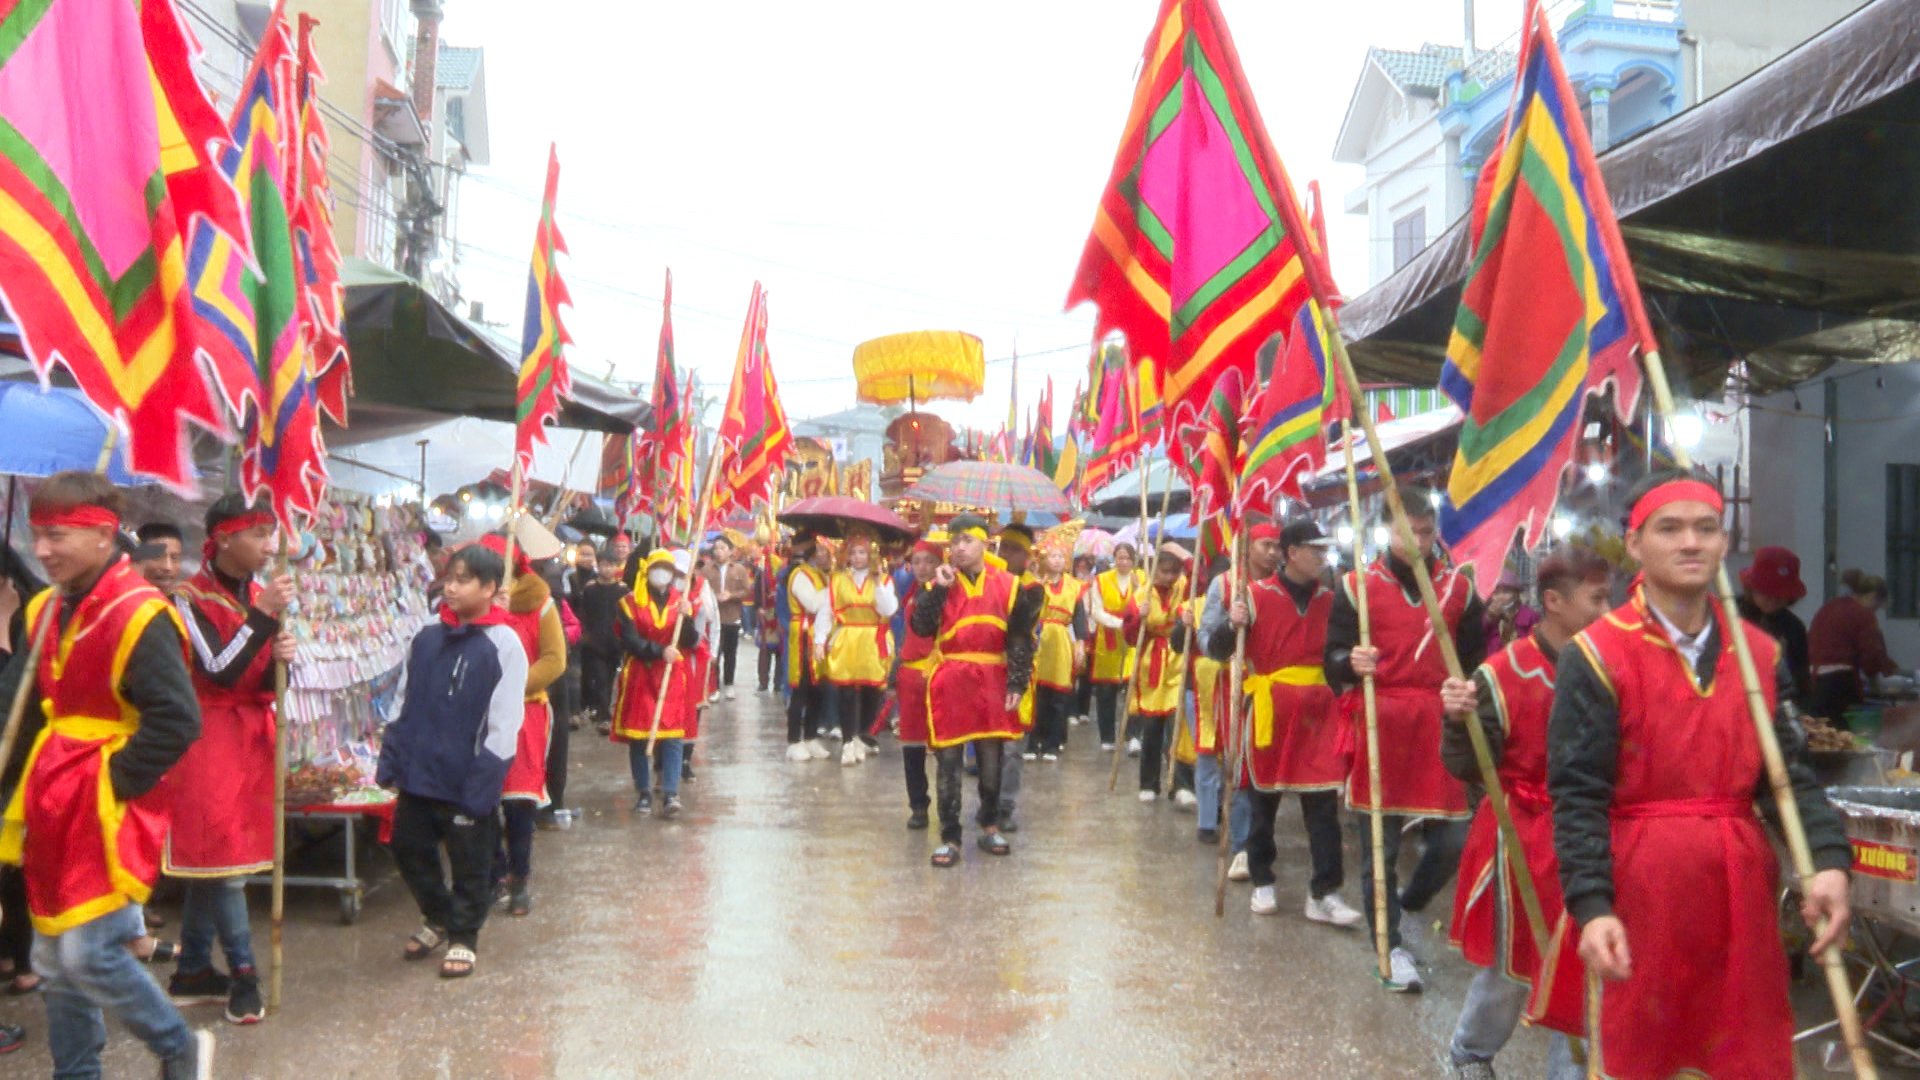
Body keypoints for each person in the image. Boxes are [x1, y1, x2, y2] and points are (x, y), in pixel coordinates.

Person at [1543, 471, 1852, 1077]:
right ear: (1634, 545)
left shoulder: (1760, 653)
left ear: (1723, 541)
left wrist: (1829, 860)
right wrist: (1592, 904)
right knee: (1643, 1053)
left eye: (1706, 529)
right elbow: (1577, 794)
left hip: (1741, 889)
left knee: (1744, 1051)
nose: (1691, 543)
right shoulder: (1598, 653)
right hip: (1642, 889)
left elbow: (1790, 779)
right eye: (1670, 528)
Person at [0, 471, 212, 1077]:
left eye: (57, 535)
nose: (41, 550)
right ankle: (77, 1071)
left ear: (101, 536)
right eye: (37, 535)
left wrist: (111, 784)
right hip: (51, 795)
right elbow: (17, 703)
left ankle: (179, 1045)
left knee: (89, 952)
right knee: (49, 951)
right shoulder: (42, 608)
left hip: (106, 801)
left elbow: (176, 721)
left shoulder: (141, 615)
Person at [1438, 549, 1613, 1080]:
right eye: (1597, 598)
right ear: (1554, 602)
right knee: (1510, 966)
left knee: (1586, 962)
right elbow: (1470, 765)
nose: (1609, 609)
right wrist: (1456, 720)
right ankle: (1470, 1053)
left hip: (1593, 833)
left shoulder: (1616, 664)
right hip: (1522, 833)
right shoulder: (1501, 672)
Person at [1325, 486, 1487, 992]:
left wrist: (1472, 691)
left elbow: (1476, 659)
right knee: (1381, 845)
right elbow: (1331, 656)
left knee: (1455, 836)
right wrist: (1348, 663)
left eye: (1425, 531)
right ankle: (1388, 944)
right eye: (1407, 532)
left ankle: (1410, 900)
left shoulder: (1460, 588)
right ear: (1387, 532)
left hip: (1441, 724)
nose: (1417, 541)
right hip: (1382, 723)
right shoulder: (1354, 587)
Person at [163, 495, 295, 1025]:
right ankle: (243, 974)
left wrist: (280, 661)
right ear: (223, 539)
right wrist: (262, 621)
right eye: (259, 535)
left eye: (271, 535)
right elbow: (217, 668)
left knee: (215, 863)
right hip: (206, 737)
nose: (269, 547)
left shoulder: (260, 595)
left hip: (247, 737)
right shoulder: (186, 598)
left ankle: (193, 968)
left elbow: (258, 675)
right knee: (225, 864)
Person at [378, 542, 527, 979]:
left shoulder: (504, 643)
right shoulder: (427, 633)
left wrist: (485, 782)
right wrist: (393, 757)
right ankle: (439, 915)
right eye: (450, 577)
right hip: (420, 770)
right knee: (407, 847)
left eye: (463, 579)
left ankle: (464, 936)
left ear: (489, 587)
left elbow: (505, 722)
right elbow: (404, 698)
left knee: (470, 859)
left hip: (468, 774)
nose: (452, 587)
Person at [1220, 521, 1360, 928]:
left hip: (1319, 714)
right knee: (1265, 801)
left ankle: (1325, 892)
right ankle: (1262, 879)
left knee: (1322, 807)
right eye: (1315, 549)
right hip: (1271, 712)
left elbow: (1339, 654)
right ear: (1292, 552)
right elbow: (1216, 647)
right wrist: (1234, 624)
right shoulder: (1254, 595)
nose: (1322, 556)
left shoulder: (1334, 600)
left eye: (1323, 550)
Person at [910, 514, 1041, 866]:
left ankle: (989, 823)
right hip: (952, 676)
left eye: (967, 540)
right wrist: (937, 589)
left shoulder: (1010, 585)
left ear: (986, 543)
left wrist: (1017, 680)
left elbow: (1019, 638)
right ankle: (950, 836)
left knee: (991, 756)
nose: (959, 547)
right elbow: (921, 628)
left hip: (993, 676)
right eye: (954, 542)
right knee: (949, 760)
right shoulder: (940, 584)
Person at [485, 539, 566, 918]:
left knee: (518, 802)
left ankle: (520, 879)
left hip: (525, 713)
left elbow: (554, 659)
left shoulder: (541, 602)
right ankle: (493, 872)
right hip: (478, 717)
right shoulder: (470, 604)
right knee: (481, 802)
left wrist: (515, 685)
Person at [609, 549, 699, 817]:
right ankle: (644, 792)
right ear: (648, 570)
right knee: (640, 738)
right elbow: (629, 640)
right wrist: (658, 651)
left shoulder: (679, 602)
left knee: (672, 737)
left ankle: (671, 793)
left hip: (671, 676)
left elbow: (691, 640)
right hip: (641, 673)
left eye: (667, 569)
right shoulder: (628, 602)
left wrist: (688, 617)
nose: (663, 574)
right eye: (658, 568)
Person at [816, 529, 897, 767]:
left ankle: (864, 734)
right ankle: (848, 739)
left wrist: (878, 582)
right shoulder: (838, 579)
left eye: (863, 552)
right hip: (848, 636)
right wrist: (820, 640)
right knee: (846, 690)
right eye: (854, 552)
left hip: (873, 637)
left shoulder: (883, 580)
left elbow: (889, 609)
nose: (859, 557)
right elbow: (826, 610)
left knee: (873, 690)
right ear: (847, 555)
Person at [1127, 544, 1191, 802]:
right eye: (1164, 572)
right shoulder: (1141, 595)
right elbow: (1130, 637)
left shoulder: (1185, 587)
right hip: (1151, 663)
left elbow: (1198, 574)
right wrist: (1137, 619)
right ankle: (1149, 783)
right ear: (1154, 572)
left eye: (1174, 572)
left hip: (1177, 658)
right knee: (1152, 727)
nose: (1169, 577)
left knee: (1179, 726)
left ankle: (1180, 784)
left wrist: (1181, 552)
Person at [1809, 569, 1901, 724]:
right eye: (1877, 607)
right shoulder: (1863, 614)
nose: (1875, 612)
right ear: (1872, 597)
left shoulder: (1830, 607)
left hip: (1814, 680)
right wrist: (1880, 677)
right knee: (1845, 734)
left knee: (1822, 735)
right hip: (1839, 684)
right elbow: (1871, 656)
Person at [894, 539, 942, 829]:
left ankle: (947, 806)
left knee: (946, 746)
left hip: (938, 675)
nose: (922, 568)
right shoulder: (910, 593)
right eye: (918, 561)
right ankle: (918, 805)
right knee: (911, 745)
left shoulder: (945, 594)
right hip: (911, 677)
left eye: (929, 561)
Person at [1026, 531, 1086, 761]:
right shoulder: (1035, 583)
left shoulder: (1074, 586)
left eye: (1061, 556)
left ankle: (1053, 741)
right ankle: (1034, 740)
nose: (1058, 560)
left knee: (1059, 693)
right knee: (1037, 692)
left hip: (1061, 640)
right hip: (1039, 638)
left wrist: (1081, 643)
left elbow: (1079, 616)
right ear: (1043, 559)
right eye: (1052, 556)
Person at [1737, 544, 1811, 706]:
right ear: (1751, 589)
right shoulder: (1729, 614)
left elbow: (1800, 680)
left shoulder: (1793, 628)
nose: (1773, 600)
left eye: (1780, 596)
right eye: (1766, 593)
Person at [1089, 544, 1143, 752]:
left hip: (1132, 639)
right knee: (1106, 690)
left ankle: (1133, 734)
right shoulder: (1101, 580)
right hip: (1109, 636)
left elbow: (1143, 603)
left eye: (1128, 558)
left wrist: (1138, 590)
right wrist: (1118, 623)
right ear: (1114, 559)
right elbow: (1096, 610)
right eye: (1120, 558)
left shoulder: (1140, 578)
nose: (1124, 562)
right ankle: (1107, 736)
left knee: (1133, 688)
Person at [784, 536, 833, 761]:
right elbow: (813, 603)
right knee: (801, 687)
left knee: (818, 688)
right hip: (804, 635)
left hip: (819, 634)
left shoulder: (820, 575)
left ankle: (811, 736)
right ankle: (794, 740)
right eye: (821, 551)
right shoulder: (800, 575)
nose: (826, 556)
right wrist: (833, 590)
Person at [677, 549, 718, 780]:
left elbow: (713, 620)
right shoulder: (666, 593)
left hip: (696, 656)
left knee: (694, 707)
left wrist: (713, 651)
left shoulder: (702, 587)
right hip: (672, 656)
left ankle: (685, 758)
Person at [577, 548, 626, 736]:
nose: (607, 569)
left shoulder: (623, 591)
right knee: (600, 679)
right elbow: (584, 614)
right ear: (598, 565)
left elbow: (626, 618)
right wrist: (585, 634)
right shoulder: (590, 590)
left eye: (611, 565)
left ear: (617, 567)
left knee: (610, 678)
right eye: (604, 565)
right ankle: (604, 717)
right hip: (594, 643)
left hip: (615, 643)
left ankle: (602, 712)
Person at [704, 537, 751, 702]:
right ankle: (714, 686)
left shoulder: (739, 569)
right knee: (714, 652)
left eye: (723, 548)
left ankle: (729, 684)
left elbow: (747, 591)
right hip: (713, 619)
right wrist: (712, 597)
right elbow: (701, 591)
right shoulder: (707, 570)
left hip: (732, 617)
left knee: (730, 653)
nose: (719, 551)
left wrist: (731, 595)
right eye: (716, 548)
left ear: (730, 551)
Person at [1071, 553, 1097, 725]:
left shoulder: (1095, 585)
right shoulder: (1070, 584)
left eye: (1085, 566)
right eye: (1079, 566)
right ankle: (1071, 710)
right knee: (1072, 672)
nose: (1082, 569)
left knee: (1087, 674)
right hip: (1073, 632)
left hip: (1092, 630)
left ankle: (1084, 710)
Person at [1481, 570, 1540, 646]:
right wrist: (1489, 618)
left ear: (1516, 594)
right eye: (1496, 593)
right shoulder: (1488, 618)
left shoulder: (1530, 617)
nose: (1500, 597)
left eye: (1506, 592)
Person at [133, 522, 185, 596]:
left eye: (174, 558)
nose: (168, 567)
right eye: (157, 557)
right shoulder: (120, 601)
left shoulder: (183, 605)